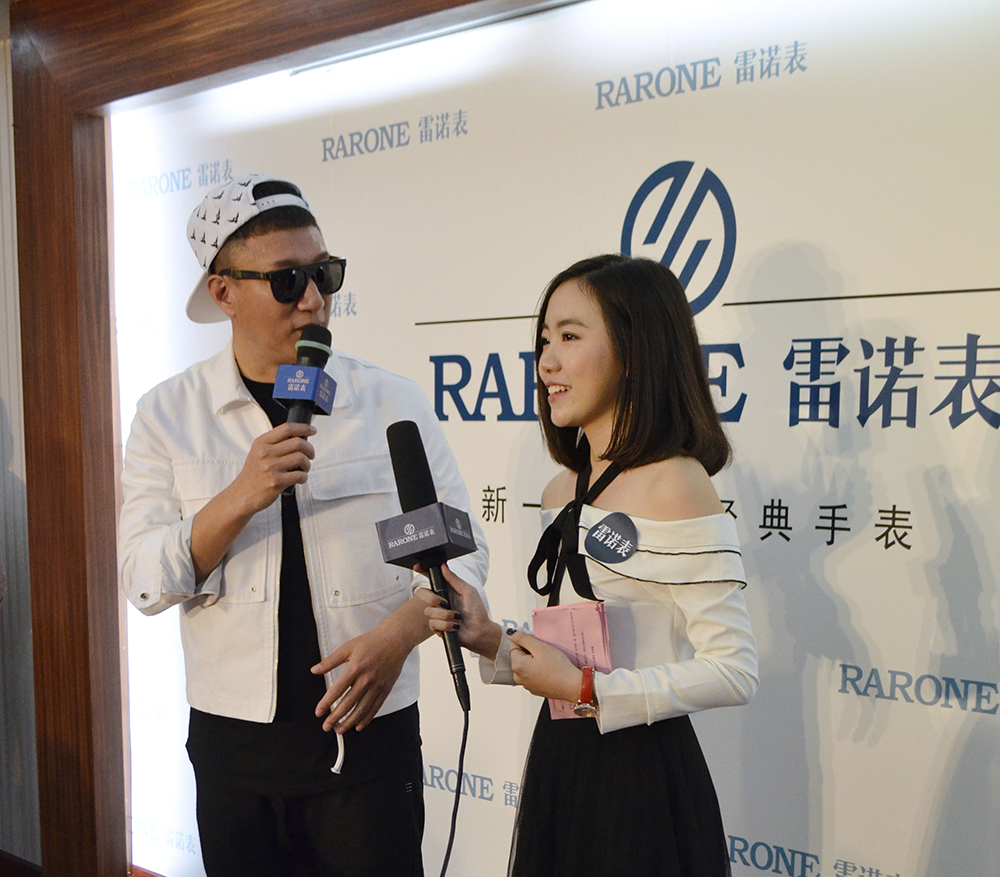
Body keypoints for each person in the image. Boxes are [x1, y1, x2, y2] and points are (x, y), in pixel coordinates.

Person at [118, 173, 488, 877]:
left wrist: (401, 633)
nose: (314, 299)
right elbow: (143, 581)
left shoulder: (391, 401)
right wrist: (239, 496)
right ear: (224, 291)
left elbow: (461, 550)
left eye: (325, 274)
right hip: (236, 756)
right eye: (288, 281)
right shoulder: (167, 414)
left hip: (371, 741)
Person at [419, 254, 757, 876]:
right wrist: (488, 637)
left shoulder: (677, 484)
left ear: (634, 351)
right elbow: (574, 645)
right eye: (544, 340)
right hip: (562, 757)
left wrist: (586, 690)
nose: (546, 362)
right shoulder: (560, 490)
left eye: (570, 337)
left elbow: (734, 670)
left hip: (641, 778)